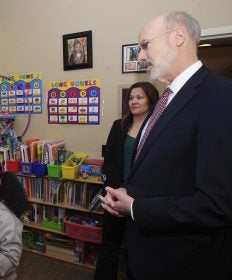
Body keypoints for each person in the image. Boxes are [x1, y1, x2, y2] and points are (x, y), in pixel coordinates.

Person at [99, 11, 232, 280]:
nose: (140, 56)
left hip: (182, 262)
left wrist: (135, 207)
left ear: (178, 37)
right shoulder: (166, 100)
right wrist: (128, 192)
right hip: (145, 255)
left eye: (145, 45)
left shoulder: (219, 96)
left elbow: (217, 204)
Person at [94, 82, 159, 280]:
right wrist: (113, 190)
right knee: (109, 243)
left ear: (151, 99)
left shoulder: (157, 128)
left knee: (138, 248)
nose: (133, 101)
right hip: (114, 194)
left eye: (139, 97)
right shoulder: (118, 125)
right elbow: (110, 161)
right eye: (131, 98)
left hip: (141, 199)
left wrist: (132, 192)